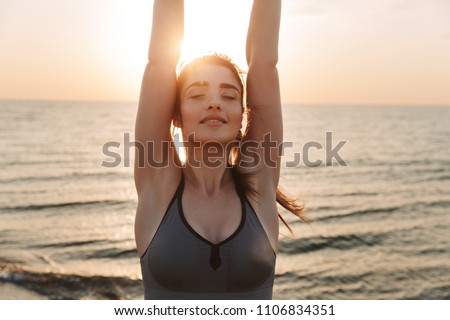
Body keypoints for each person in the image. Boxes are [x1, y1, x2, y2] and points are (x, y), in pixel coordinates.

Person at [134, 0, 304, 300]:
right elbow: (160, 61)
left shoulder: (258, 185)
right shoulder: (158, 184)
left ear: (242, 116)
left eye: (228, 96)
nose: (214, 103)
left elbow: (264, 63)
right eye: (197, 94)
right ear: (175, 115)